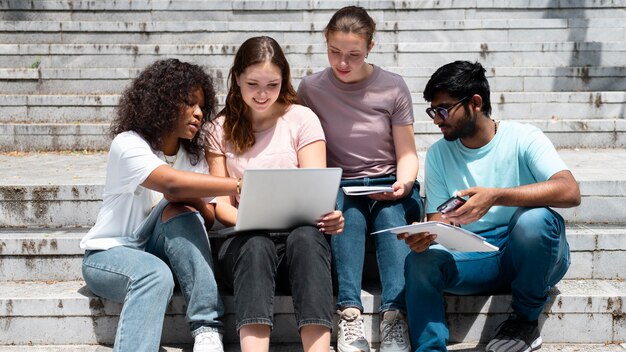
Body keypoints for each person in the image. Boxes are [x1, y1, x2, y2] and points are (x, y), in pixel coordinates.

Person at [399, 60, 581, 352]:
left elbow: (570, 191)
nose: (436, 119)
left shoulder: (523, 137)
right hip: (476, 257)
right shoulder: (438, 154)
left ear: (475, 102)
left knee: (533, 221)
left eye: (443, 109)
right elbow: (438, 218)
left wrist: (496, 196)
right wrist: (427, 235)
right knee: (421, 261)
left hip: (531, 254)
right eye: (433, 110)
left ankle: (524, 321)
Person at [80, 58, 240, 352]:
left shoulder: (194, 159)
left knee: (180, 211)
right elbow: (171, 184)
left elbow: (206, 217)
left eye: (202, 106)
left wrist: (187, 199)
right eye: (189, 103)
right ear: (162, 102)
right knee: (154, 273)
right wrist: (237, 185)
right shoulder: (128, 144)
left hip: (159, 250)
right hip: (109, 255)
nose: (198, 113)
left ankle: (207, 329)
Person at [205, 36, 344, 352]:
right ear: (237, 77)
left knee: (307, 238)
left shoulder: (301, 119)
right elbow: (220, 207)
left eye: (273, 84)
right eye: (253, 83)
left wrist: (331, 217)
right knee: (256, 244)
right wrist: (250, 219)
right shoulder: (220, 129)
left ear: (285, 81)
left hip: (298, 246)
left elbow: (315, 191)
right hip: (244, 245)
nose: (263, 94)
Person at [297, 6, 423, 352]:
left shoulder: (392, 87)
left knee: (390, 214)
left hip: (387, 181)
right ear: (325, 43)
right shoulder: (310, 88)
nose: (342, 63)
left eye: (353, 55)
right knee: (345, 212)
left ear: (370, 47)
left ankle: (395, 316)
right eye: (334, 52)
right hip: (340, 183)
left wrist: (405, 182)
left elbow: (407, 153)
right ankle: (349, 313)